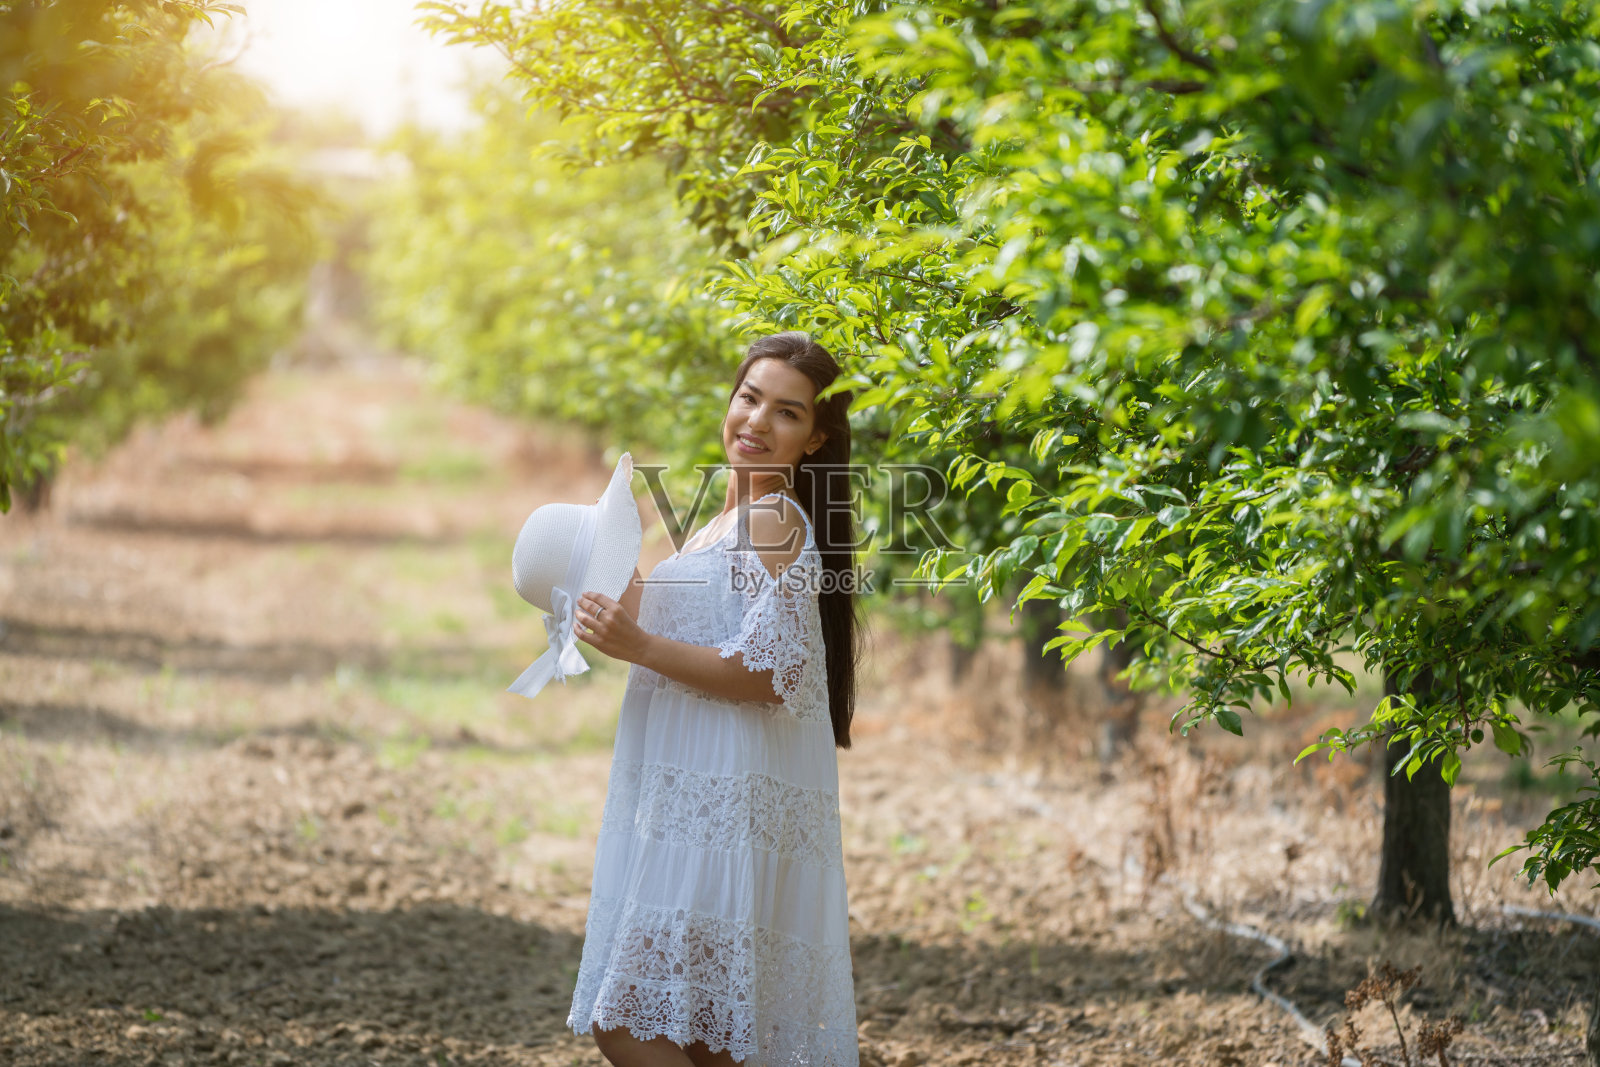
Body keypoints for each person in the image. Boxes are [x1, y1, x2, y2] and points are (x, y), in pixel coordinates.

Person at [564, 331, 865, 1067]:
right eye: (749, 397)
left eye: (787, 413)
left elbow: (771, 674)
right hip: (694, 797)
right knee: (706, 1034)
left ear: (816, 436)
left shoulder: (775, 520)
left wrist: (637, 647)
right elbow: (671, 618)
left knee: (630, 1019)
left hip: (721, 804)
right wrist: (590, 561)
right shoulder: (724, 520)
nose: (757, 421)